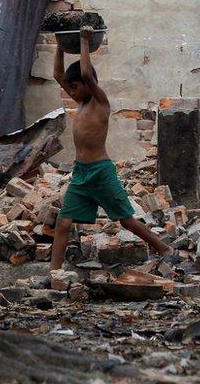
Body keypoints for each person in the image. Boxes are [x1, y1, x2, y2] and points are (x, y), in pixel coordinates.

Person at [49, 26, 172, 284]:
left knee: (125, 220)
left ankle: (163, 248)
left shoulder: (99, 102)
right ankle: (54, 274)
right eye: (69, 88)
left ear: (88, 85)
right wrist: (61, 44)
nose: (71, 91)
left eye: (75, 87)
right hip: (81, 174)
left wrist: (83, 40)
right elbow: (57, 74)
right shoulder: (80, 104)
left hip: (101, 171)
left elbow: (85, 72)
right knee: (63, 222)